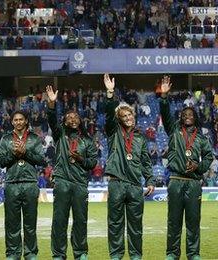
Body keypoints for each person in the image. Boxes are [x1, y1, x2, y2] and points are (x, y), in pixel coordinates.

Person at [158, 76, 214, 260]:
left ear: (195, 118)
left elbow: (208, 157)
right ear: (180, 118)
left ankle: (193, 254)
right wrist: (164, 97)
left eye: (190, 114)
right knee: (173, 221)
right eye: (184, 115)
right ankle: (172, 253)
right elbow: (165, 115)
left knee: (193, 222)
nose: (187, 116)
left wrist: (199, 167)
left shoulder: (201, 139)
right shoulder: (174, 130)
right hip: (175, 181)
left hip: (194, 183)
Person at [103, 74, 155, 260]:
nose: (127, 117)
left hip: (134, 185)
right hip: (116, 183)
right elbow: (109, 114)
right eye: (123, 116)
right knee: (115, 224)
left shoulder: (140, 138)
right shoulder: (112, 132)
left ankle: (135, 256)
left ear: (134, 115)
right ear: (119, 119)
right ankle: (116, 256)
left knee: (135, 225)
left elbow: (145, 162)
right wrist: (110, 93)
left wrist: (149, 179)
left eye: (129, 114)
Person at [45, 85, 98, 260]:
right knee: (59, 220)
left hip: (80, 184)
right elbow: (52, 119)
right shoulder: (60, 134)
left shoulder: (88, 141)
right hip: (62, 182)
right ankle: (59, 254)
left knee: (80, 221)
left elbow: (93, 164)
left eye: (75, 117)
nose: (72, 119)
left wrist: (81, 159)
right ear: (64, 122)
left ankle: (80, 253)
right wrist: (52, 104)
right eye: (68, 117)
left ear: (80, 120)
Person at [0, 110, 46, 260]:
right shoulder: (5, 139)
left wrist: (25, 153)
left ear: (26, 121)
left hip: (30, 183)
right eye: (15, 120)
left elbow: (41, 160)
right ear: (12, 122)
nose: (18, 122)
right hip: (11, 183)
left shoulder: (34, 138)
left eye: (21, 119)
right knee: (12, 223)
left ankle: (31, 253)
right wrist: (14, 153)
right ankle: (13, 253)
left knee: (30, 223)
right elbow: (0, 162)